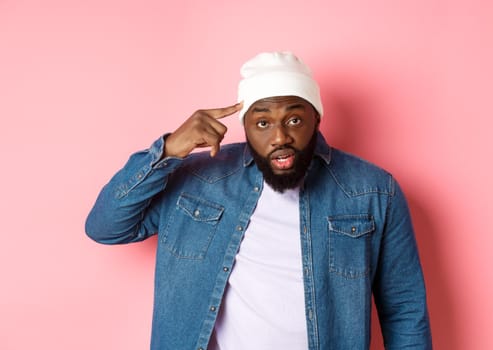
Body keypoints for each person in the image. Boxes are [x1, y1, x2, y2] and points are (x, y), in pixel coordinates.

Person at [86, 51, 432, 350]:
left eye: (294, 119)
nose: (280, 136)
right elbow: (106, 227)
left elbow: (404, 308)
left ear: (317, 119)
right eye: (263, 122)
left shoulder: (373, 190)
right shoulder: (198, 179)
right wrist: (167, 152)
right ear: (246, 126)